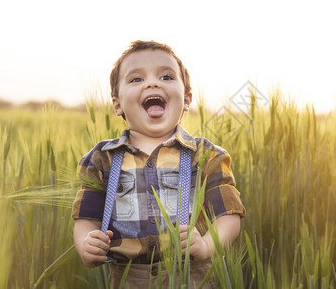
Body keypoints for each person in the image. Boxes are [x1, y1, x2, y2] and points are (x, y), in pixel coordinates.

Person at [71, 40, 246, 288]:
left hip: (193, 274)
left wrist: (206, 245)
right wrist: (86, 244)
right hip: (128, 277)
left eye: (166, 76)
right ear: (117, 102)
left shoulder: (206, 155)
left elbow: (229, 215)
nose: (152, 83)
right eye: (136, 79)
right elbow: (86, 218)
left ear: (186, 99)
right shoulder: (102, 159)